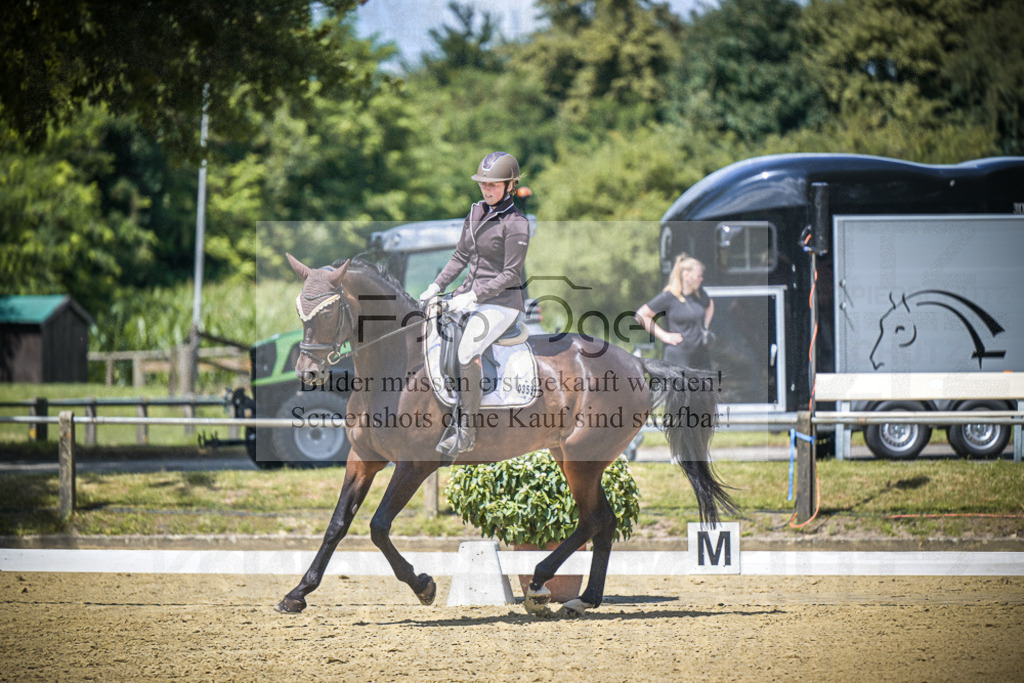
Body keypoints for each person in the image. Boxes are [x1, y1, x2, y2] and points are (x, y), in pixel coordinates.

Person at [419, 151, 530, 458]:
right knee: (428, 327)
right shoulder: (476, 212)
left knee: (468, 349)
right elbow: (460, 257)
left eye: (493, 185)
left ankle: (466, 431)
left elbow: (510, 274)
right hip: (468, 294)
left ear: (510, 185)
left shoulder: (516, 223)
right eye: (483, 184)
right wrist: (437, 287)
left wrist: (474, 296)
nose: (486, 189)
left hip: (503, 302)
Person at [635, 254, 714, 369]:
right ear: (686, 275)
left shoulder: (700, 294)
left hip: (701, 356)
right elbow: (641, 315)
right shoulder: (669, 297)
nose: (701, 279)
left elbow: (710, 304)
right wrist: (664, 336)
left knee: (708, 386)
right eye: (698, 276)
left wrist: (705, 326)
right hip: (678, 357)